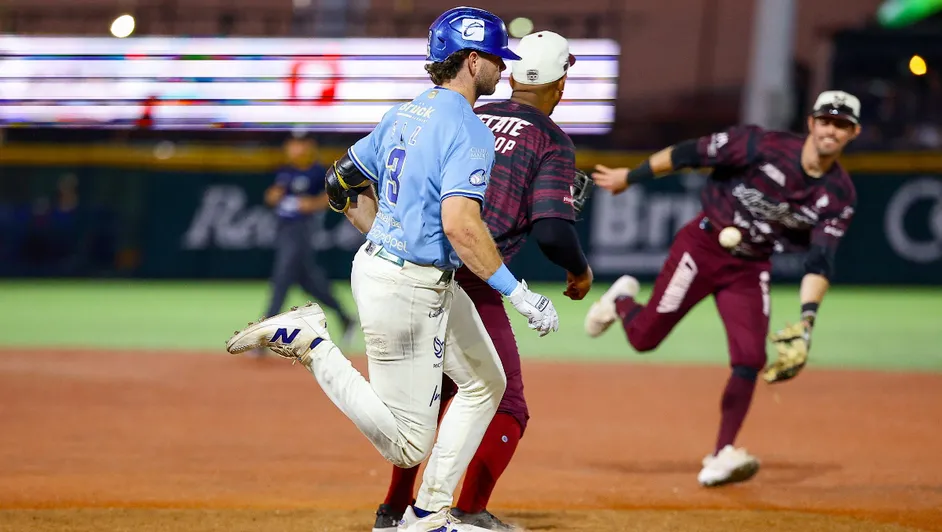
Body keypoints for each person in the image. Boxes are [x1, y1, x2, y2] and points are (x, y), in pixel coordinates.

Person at [226, 7, 559, 531]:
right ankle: (313, 343)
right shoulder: (469, 129)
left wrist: (385, 232)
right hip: (409, 287)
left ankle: (428, 514)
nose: (502, 66)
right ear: (472, 61)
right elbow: (461, 226)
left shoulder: (404, 113)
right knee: (408, 443)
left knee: (484, 385)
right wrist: (518, 293)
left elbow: (340, 182)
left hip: (398, 272)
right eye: (496, 56)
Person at [372, 30, 594, 532]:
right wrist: (579, 271)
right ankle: (467, 509)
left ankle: (393, 509)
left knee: (439, 395)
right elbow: (554, 230)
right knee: (505, 400)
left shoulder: (462, 114)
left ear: (513, 76)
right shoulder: (550, 139)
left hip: (412, 267)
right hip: (473, 275)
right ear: (560, 85)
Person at [584, 90, 861, 487]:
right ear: (812, 123)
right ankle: (622, 300)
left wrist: (807, 320)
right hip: (701, 246)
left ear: (854, 133)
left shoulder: (838, 194)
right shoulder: (760, 145)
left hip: (750, 266)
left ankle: (722, 453)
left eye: (843, 125)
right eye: (827, 120)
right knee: (644, 338)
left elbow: (820, 260)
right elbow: (687, 153)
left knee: (750, 357)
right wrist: (630, 176)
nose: (832, 130)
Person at [261, 133, 356, 346]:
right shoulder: (285, 171)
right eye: (293, 143)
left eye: (300, 144)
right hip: (284, 229)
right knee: (311, 283)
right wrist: (272, 196)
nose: (295, 148)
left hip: (302, 230)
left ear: (310, 146)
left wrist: (311, 204)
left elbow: (330, 197)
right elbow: (270, 197)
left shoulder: (317, 171)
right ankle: (345, 317)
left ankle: (265, 334)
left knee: (282, 278)